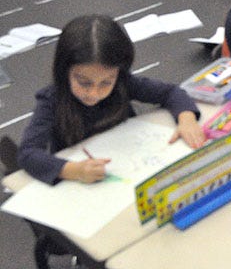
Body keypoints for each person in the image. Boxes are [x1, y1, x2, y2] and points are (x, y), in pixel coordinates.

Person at [17, 14, 206, 185]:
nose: (94, 93)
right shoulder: (52, 100)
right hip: (85, 182)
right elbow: (28, 153)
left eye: (106, 83)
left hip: (131, 164)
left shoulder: (123, 83)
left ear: (118, 72)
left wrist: (187, 119)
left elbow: (171, 92)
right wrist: (75, 170)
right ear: (64, 70)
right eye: (84, 83)